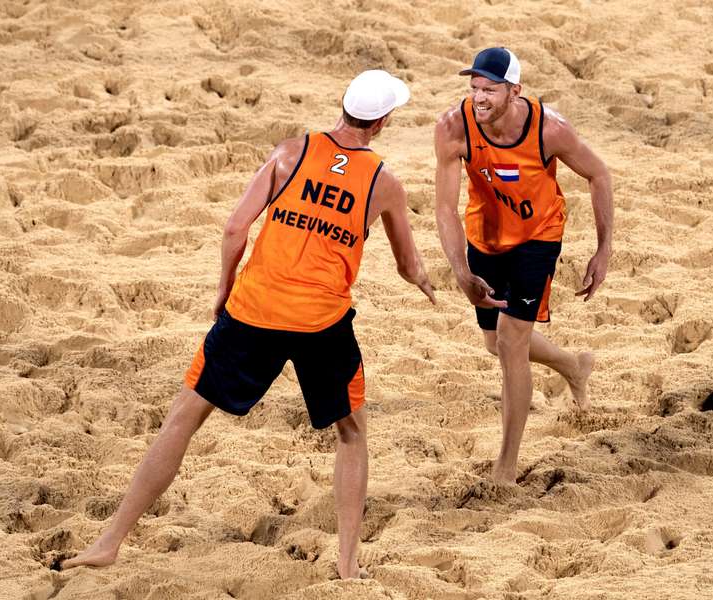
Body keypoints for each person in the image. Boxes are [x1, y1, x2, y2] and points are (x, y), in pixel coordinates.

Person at [63, 70, 436, 578]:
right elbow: (407, 265)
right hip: (321, 322)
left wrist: (224, 287)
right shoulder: (384, 184)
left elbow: (236, 226)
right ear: (384, 121)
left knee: (182, 419)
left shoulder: (290, 153)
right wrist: (426, 283)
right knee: (351, 434)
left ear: (342, 106)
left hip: (254, 309)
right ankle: (348, 566)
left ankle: (109, 542)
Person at [433, 47, 613, 484]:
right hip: (485, 237)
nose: (479, 97)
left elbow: (599, 174)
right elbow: (444, 207)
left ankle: (506, 469)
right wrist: (459, 269)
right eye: (474, 87)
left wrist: (603, 249)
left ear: (515, 91)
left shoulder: (549, 129)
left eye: (490, 89)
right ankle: (572, 365)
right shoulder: (453, 127)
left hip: (538, 236)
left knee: (513, 343)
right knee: (493, 342)